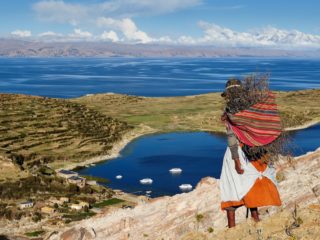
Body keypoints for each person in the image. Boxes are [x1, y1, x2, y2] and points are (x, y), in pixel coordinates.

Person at [219, 78, 282, 228]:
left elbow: (231, 138)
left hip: (239, 153)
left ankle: (233, 229)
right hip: (256, 151)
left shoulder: (231, 111)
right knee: (252, 185)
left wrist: (236, 161)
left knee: (232, 187)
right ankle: (256, 220)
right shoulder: (253, 107)